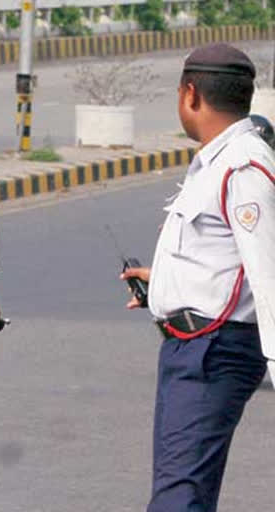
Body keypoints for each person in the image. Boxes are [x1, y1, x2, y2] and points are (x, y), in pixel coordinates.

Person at [121, 43, 275, 512]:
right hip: (191, 347)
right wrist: (163, 281)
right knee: (183, 491)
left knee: (178, 498)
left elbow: (267, 274)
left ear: (190, 94)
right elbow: (219, 255)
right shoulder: (219, 158)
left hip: (214, 352)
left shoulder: (244, 165)